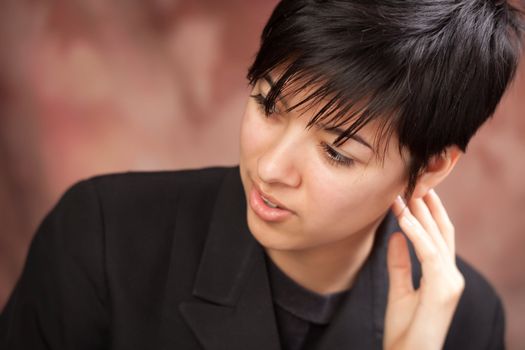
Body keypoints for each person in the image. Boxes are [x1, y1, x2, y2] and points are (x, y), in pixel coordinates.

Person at [0, 0, 523, 349]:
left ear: (431, 166)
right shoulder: (102, 238)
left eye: (338, 151)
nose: (270, 168)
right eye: (269, 104)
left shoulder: (468, 322)